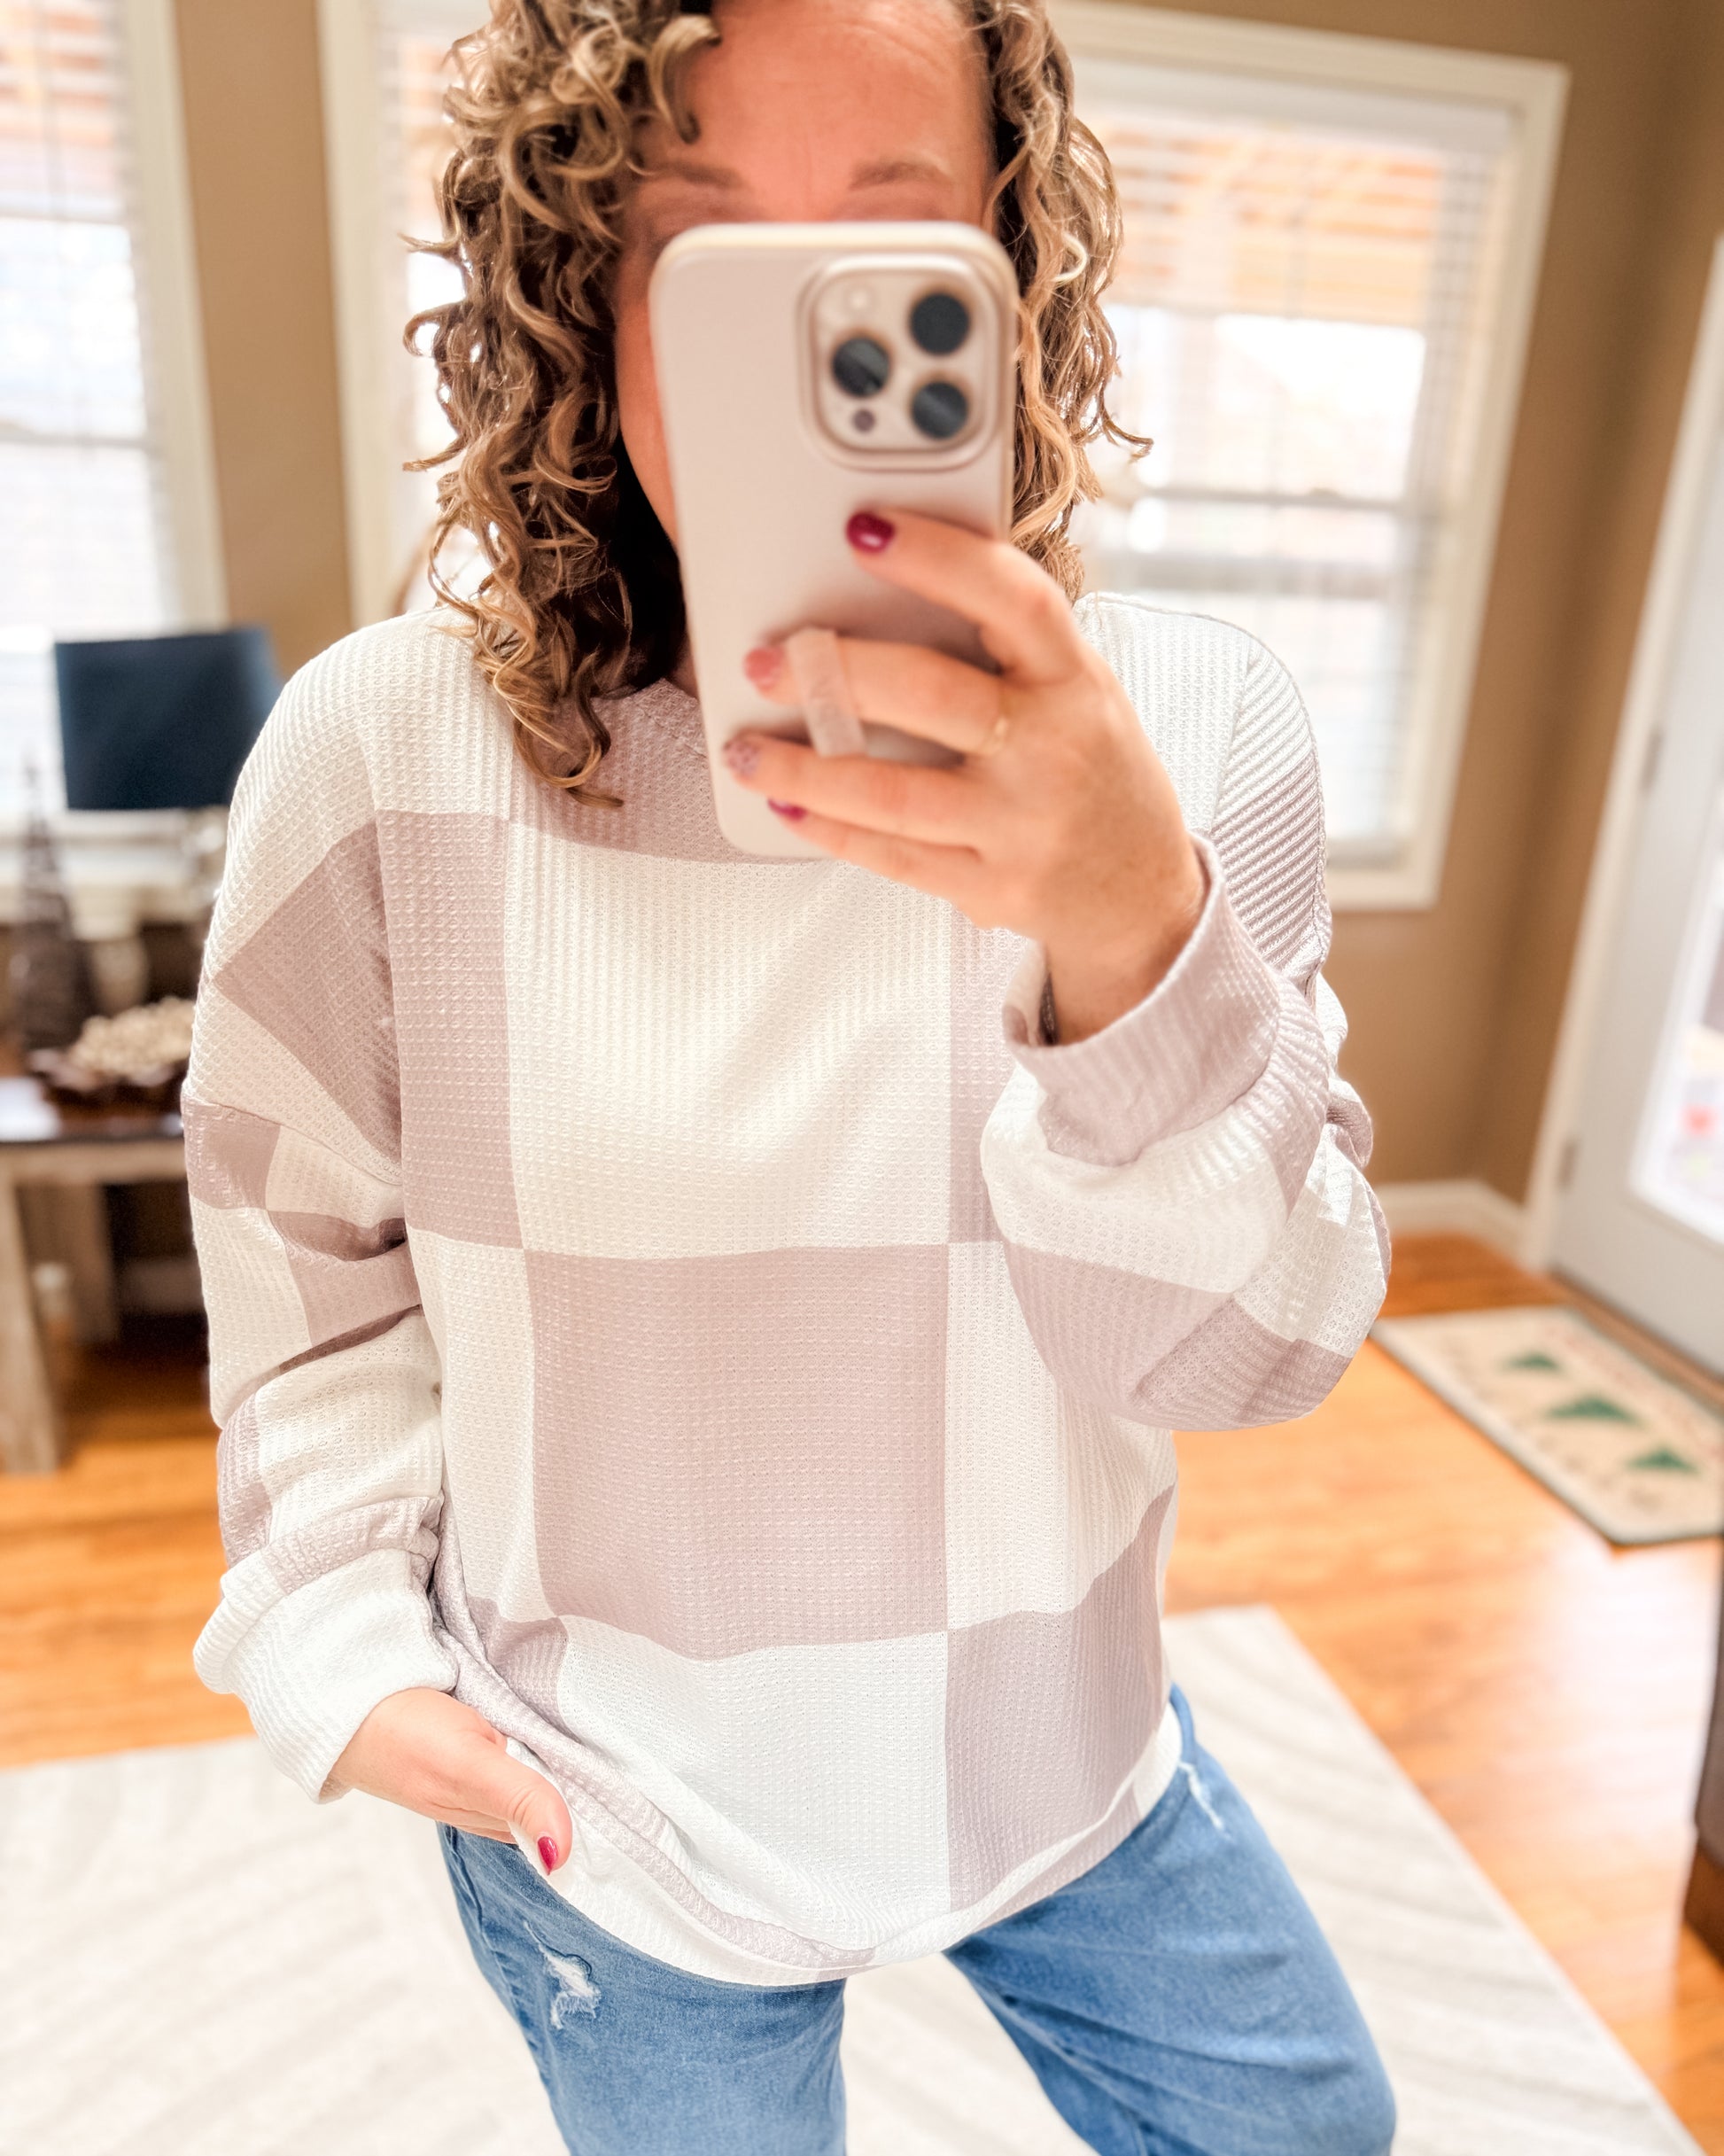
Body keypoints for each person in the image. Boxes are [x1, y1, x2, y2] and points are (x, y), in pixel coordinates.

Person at [186, 2, 1397, 2150]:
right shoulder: (379, 759)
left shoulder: (1196, 734)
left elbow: (1241, 1358)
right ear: (578, 293)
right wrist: (341, 1643)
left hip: (1064, 1740)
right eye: (700, 254)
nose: (796, 361)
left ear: (1011, 273)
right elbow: (304, 1256)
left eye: (889, 251)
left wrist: (1131, 928)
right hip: (627, 1816)